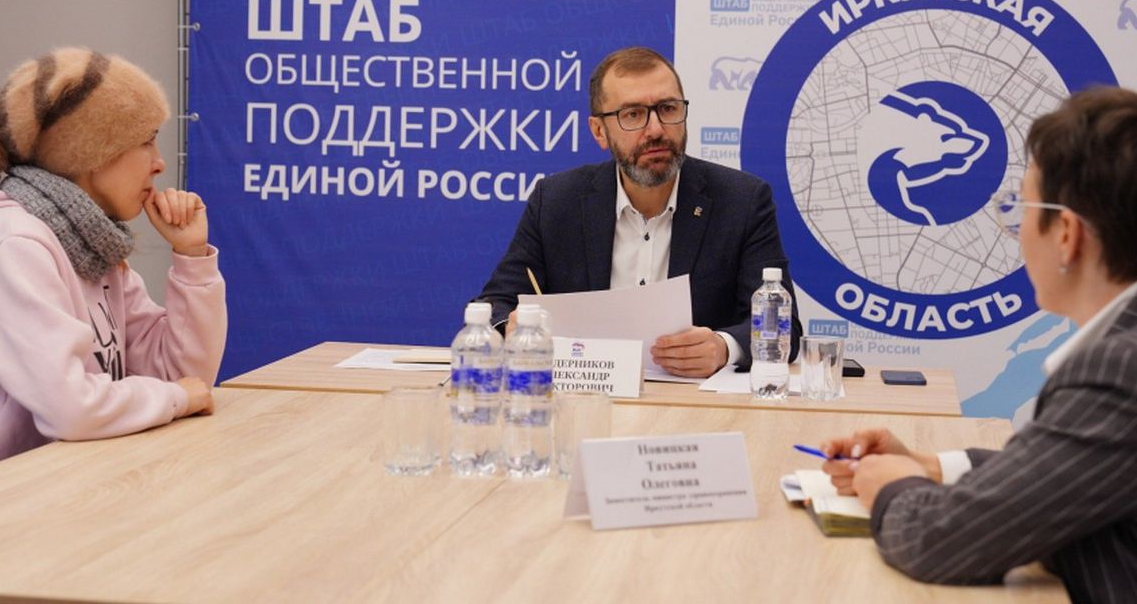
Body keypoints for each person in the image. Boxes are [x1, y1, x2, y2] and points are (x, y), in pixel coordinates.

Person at [819, 86, 1137, 602]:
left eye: (1019, 209)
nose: (1016, 233)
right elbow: (1068, 477)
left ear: (1066, 234)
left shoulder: (1117, 371)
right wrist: (929, 466)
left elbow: (939, 541)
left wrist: (890, 487)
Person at [0, 47, 227, 483]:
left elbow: (186, 378)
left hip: (61, 491)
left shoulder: (90, 245)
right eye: (146, 140)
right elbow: (71, 408)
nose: (159, 163)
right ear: (93, 153)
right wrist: (174, 398)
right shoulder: (14, 246)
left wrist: (191, 256)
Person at [476, 46, 802, 377]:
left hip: (692, 399)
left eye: (668, 109)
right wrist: (510, 330)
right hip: (584, 396)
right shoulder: (557, 201)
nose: (656, 129)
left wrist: (723, 348)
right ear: (599, 131)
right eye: (633, 114)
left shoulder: (741, 201)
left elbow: (785, 327)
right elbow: (493, 306)